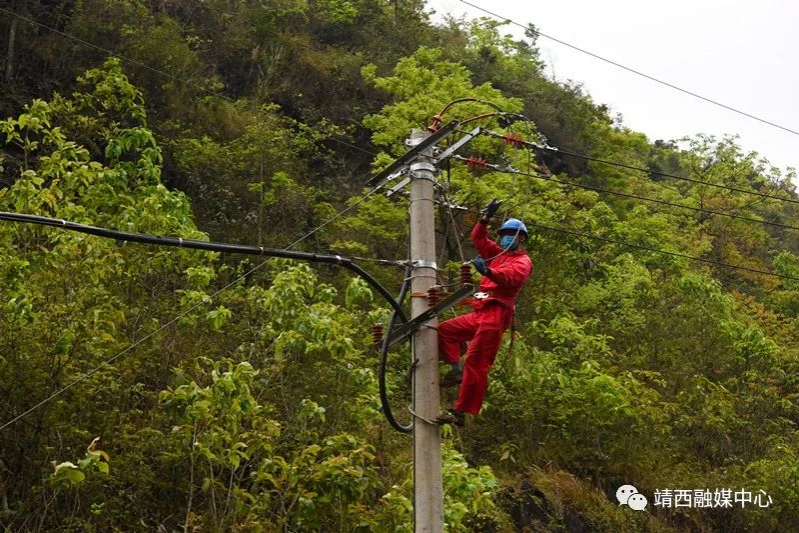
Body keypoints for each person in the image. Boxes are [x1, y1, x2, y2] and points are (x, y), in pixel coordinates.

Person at [436, 199, 533, 426]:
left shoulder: (523, 261)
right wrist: (485, 218)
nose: (507, 237)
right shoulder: (498, 253)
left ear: (521, 238)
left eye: (512, 234)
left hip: (496, 315)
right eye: (505, 233)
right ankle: (455, 370)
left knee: (477, 361)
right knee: (445, 330)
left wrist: (488, 271)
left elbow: (511, 278)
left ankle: (460, 412)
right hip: (480, 311)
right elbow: (479, 238)